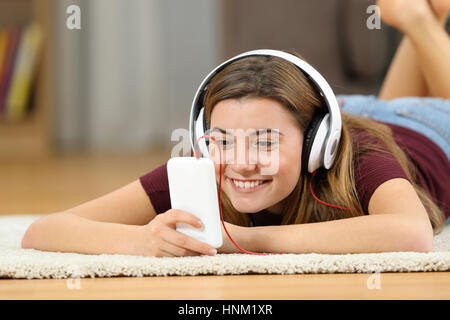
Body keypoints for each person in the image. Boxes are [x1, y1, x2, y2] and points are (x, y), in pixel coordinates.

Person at [21, 0, 449, 257]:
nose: (240, 164)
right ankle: (422, 18)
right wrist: (142, 242)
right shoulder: (206, 164)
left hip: (426, 129)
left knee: (413, 94)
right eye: (223, 140)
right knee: (403, 76)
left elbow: (411, 234)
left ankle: (418, 19)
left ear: (317, 142)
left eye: (264, 141)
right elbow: (45, 231)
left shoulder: (359, 154)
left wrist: (245, 239)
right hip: (346, 107)